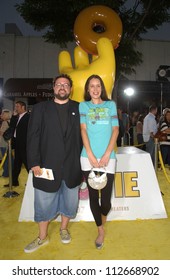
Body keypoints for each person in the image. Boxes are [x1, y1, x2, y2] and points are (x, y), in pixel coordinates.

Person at [24, 73, 82, 253]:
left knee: (70, 202)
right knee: (43, 204)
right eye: (59, 84)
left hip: (72, 166)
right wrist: (34, 162)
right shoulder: (41, 108)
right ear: (54, 88)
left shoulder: (80, 109)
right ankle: (42, 237)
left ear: (71, 89)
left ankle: (64, 229)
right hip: (46, 167)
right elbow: (32, 136)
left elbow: (87, 137)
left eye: (66, 84)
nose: (62, 87)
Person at [79, 74, 119, 249]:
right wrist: (90, 154)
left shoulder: (110, 105)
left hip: (108, 158)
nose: (95, 89)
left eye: (98, 86)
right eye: (91, 86)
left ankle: (102, 217)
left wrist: (106, 154)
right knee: (93, 196)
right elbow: (83, 129)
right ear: (87, 89)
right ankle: (100, 230)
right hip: (87, 158)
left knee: (106, 202)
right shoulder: (83, 106)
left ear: (102, 88)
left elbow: (116, 130)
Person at [4, 101, 30, 187]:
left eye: (18, 107)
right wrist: (14, 116)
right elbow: (12, 127)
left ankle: (34, 182)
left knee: (28, 165)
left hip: (24, 145)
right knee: (16, 165)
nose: (16, 108)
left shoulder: (28, 117)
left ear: (23, 107)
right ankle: (14, 182)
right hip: (17, 144)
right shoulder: (17, 116)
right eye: (16, 107)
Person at [0, 109, 12, 177]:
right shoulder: (10, 122)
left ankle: (6, 173)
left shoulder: (5, 123)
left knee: (5, 159)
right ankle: (9, 172)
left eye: (2, 114)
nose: (1, 115)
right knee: (9, 159)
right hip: (8, 143)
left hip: (3, 143)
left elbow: (1, 133)